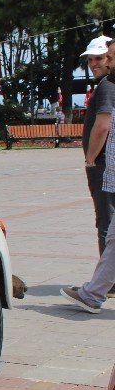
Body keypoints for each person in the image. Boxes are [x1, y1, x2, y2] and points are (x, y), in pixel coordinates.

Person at [80, 36, 115, 254]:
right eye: (90, 59)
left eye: (101, 58)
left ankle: (107, 284)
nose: (94, 64)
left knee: (106, 222)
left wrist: (90, 159)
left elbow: (102, 126)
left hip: (103, 164)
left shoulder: (107, 86)